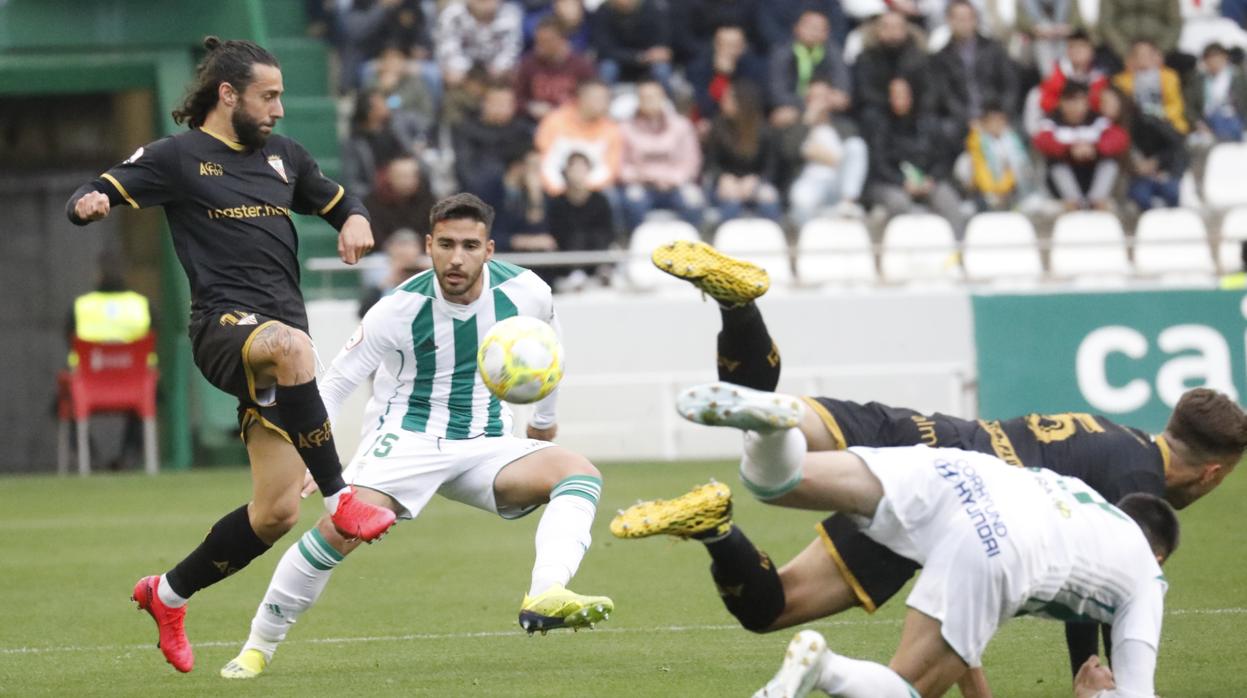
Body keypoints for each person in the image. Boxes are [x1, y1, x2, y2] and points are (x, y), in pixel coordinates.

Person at [635, 240, 1246, 694]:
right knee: (849, 650)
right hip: (975, 511)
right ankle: (737, 537)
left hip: (936, 443)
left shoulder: (1115, 437)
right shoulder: (1136, 491)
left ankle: (740, 321)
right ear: (1212, 475)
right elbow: (1088, 599)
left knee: (777, 487)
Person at [64, 37, 397, 673]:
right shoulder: (178, 157)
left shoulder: (284, 157)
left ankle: (166, 594)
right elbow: (98, 187)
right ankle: (343, 499)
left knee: (274, 513)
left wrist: (353, 216)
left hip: (279, 352)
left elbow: (335, 198)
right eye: (267, 96)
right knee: (293, 345)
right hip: (224, 329)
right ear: (228, 94)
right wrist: (93, 202)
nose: (278, 108)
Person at [219, 193, 613, 678]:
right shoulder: (397, 309)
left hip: (486, 443)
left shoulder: (528, 291)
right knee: (339, 531)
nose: (456, 257)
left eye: (470, 245)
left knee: (579, 473)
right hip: (406, 441)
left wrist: (544, 421)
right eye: (445, 244)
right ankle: (259, 645)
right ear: (429, 245)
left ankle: (546, 593)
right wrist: (309, 453)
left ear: (489, 249)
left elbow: (551, 346)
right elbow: (338, 381)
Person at [728, 443, 1179, 698]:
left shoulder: (1080, 499)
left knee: (790, 481)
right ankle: (825, 668)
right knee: (907, 689)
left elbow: (972, 629)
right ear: (1157, 554)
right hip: (1011, 551)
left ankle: (775, 432)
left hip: (967, 494)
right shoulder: (1142, 573)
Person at [65, 262, 153, 471]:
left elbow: (69, 340)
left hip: (88, 388)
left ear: (98, 276)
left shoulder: (81, 306)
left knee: (66, 401)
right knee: (152, 396)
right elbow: (153, 340)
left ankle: (90, 458)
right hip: (136, 388)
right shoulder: (141, 305)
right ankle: (128, 456)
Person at [866, 78, 966, 238]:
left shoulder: (928, 123)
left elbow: (942, 158)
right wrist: (902, 182)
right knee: (898, 203)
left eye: (903, 94)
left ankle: (957, 251)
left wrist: (930, 179)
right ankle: (899, 254)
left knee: (947, 200)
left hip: (925, 181)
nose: (899, 99)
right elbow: (879, 163)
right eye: (895, 95)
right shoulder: (879, 124)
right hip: (890, 183)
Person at [619, 78, 705, 230]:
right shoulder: (625, 128)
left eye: (654, 97)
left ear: (663, 98)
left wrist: (673, 179)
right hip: (641, 183)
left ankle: (690, 250)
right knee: (632, 203)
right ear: (638, 101)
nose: (649, 101)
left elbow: (692, 161)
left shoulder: (681, 125)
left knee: (694, 202)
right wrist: (642, 177)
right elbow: (621, 165)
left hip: (676, 184)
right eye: (644, 97)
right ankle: (636, 248)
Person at [931, 0, 1018, 144]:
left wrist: (1000, 114)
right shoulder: (941, 57)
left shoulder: (993, 48)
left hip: (996, 113)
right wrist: (968, 120)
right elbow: (946, 95)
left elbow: (1010, 85)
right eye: (960, 19)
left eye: (969, 18)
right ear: (949, 21)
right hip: (962, 119)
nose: (965, 24)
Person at [785, 78, 869, 224]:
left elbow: (853, 158)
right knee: (801, 198)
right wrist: (808, 119)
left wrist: (820, 155)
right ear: (807, 100)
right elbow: (789, 151)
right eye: (815, 98)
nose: (820, 103)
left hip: (838, 183)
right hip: (810, 182)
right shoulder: (798, 126)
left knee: (857, 145)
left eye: (824, 97)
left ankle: (848, 204)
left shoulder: (845, 126)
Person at [1034, 81, 1129, 210]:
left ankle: (1097, 201)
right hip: (1064, 183)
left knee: (1110, 162)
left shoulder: (1097, 120)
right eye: (1071, 101)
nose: (1077, 107)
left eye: (1081, 101)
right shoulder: (1051, 122)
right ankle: (1073, 203)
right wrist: (1069, 150)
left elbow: (1119, 139)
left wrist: (1094, 149)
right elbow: (1042, 141)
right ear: (1062, 103)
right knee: (1056, 163)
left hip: (1092, 176)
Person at [705, 80, 783, 222]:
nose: (723, 101)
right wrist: (723, 178)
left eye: (728, 98)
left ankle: (773, 236)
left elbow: (771, 166)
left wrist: (756, 180)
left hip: (755, 181)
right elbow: (711, 163)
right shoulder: (718, 127)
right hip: (727, 182)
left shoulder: (764, 131)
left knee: (768, 199)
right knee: (730, 201)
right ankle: (721, 238)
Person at [766, 9, 852, 131]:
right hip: (795, 108)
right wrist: (808, 103)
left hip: (827, 110)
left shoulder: (834, 54)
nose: (814, 32)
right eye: (810, 27)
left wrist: (821, 102)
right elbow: (777, 93)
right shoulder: (782, 54)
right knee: (782, 116)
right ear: (796, 28)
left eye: (820, 28)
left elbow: (842, 91)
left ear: (827, 33)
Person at [547, 152, 617, 287]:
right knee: (576, 237)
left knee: (598, 236)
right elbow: (554, 230)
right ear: (566, 171)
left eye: (582, 168)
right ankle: (575, 272)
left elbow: (608, 230)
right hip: (566, 253)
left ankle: (602, 270)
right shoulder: (557, 202)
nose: (578, 173)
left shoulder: (600, 200)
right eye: (574, 168)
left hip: (596, 250)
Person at [515, 16, 597, 122]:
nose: (539, 47)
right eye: (538, 41)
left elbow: (593, 98)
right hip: (535, 122)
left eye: (546, 41)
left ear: (562, 40)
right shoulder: (528, 63)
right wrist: (530, 107)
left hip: (572, 122)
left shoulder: (582, 66)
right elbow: (516, 99)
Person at [963, 101, 1034, 211]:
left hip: (1012, 192)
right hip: (988, 194)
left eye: (1001, 120)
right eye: (993, 120)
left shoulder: (1012, 140)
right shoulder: (978, 143)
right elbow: (980, 171)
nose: (998, 124)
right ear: (984, 123)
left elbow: (1021, 167)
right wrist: (997, 191)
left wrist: (1006, 188)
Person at [590, 0, 674, 88]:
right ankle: (602, 100)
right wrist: (638, 57)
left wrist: (658, 52)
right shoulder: (603, 11)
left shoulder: (652, 8)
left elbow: (662, 40)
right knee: (607, 68)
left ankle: (668, 100)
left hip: (649, 61)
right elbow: (604, 49)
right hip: (619, 61)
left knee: (662, 69)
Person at [362, 155, 435, 248]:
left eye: (412, 176)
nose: (408, 181)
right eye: (402, 176)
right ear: (390, 176)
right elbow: (372, 234)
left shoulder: (428, 200)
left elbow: (433, 231)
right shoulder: (373, 202)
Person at [1185, 43, 1247, 143]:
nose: (1214, 63)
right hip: (1207, 121)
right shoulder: (1198, 80)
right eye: (1210, 60)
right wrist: (1198, 123)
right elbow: (1189, 106)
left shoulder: (1239, 77)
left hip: (1234, 120)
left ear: (1225, 58)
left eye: (1217, 59)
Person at [1038, 30, 1108, 114]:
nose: (1077, 51)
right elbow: (1046, 103)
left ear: (1092, 51)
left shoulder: (1099, 77)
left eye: (1082, 46)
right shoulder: (1055, 74)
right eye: (1072, 47)